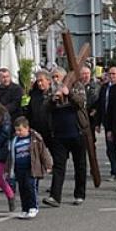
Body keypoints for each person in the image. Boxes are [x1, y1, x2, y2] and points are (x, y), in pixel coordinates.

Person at [42, 67, 88, 207]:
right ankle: (55, 197)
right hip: (59, 134)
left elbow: (81, 103)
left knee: (79, 164)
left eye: (57, 77)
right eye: (53, 77)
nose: (55, 80)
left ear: (64, 76)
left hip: (77, 132)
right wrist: (52, 100)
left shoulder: (77, 86)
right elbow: (44, 107)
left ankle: (79, 194)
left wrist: (69, 94)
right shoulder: (52, 89)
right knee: (59, 166)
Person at [5, 117, 52, 219]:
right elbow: (10, 156)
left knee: (30, 187)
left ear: (27, 128)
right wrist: (7, 169)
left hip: (31, 168)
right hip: (19, 168)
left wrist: (48, 164)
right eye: (16, 130)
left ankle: (33, 207)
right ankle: (25, 208)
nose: (18, 132)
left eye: (20, 130)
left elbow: (43, 152)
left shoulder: (35, 138)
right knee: (22, 189)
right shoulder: (14, 140)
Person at [97, 66, 116, 181]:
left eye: (114, 74)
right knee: (110, 149)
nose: (112, 76)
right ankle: (115, 171)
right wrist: (98, 122)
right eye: (110, 74)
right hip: (107, 122)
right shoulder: (104, 88)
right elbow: (100, 105)